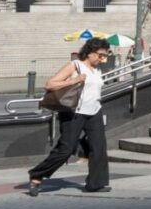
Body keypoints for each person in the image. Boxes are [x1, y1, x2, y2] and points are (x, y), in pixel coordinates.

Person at [25, 37, 112, 196]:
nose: (103, 59)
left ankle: (95, 184)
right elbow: (50, 84)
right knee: (66, 149)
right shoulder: (75, 65)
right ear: (91, 53)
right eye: (101, 55)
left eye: (105, 56)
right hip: (73, 112)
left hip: (94, 111)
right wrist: (75, 80)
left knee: (98, 147)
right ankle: (36, 176)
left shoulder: (97, 70)